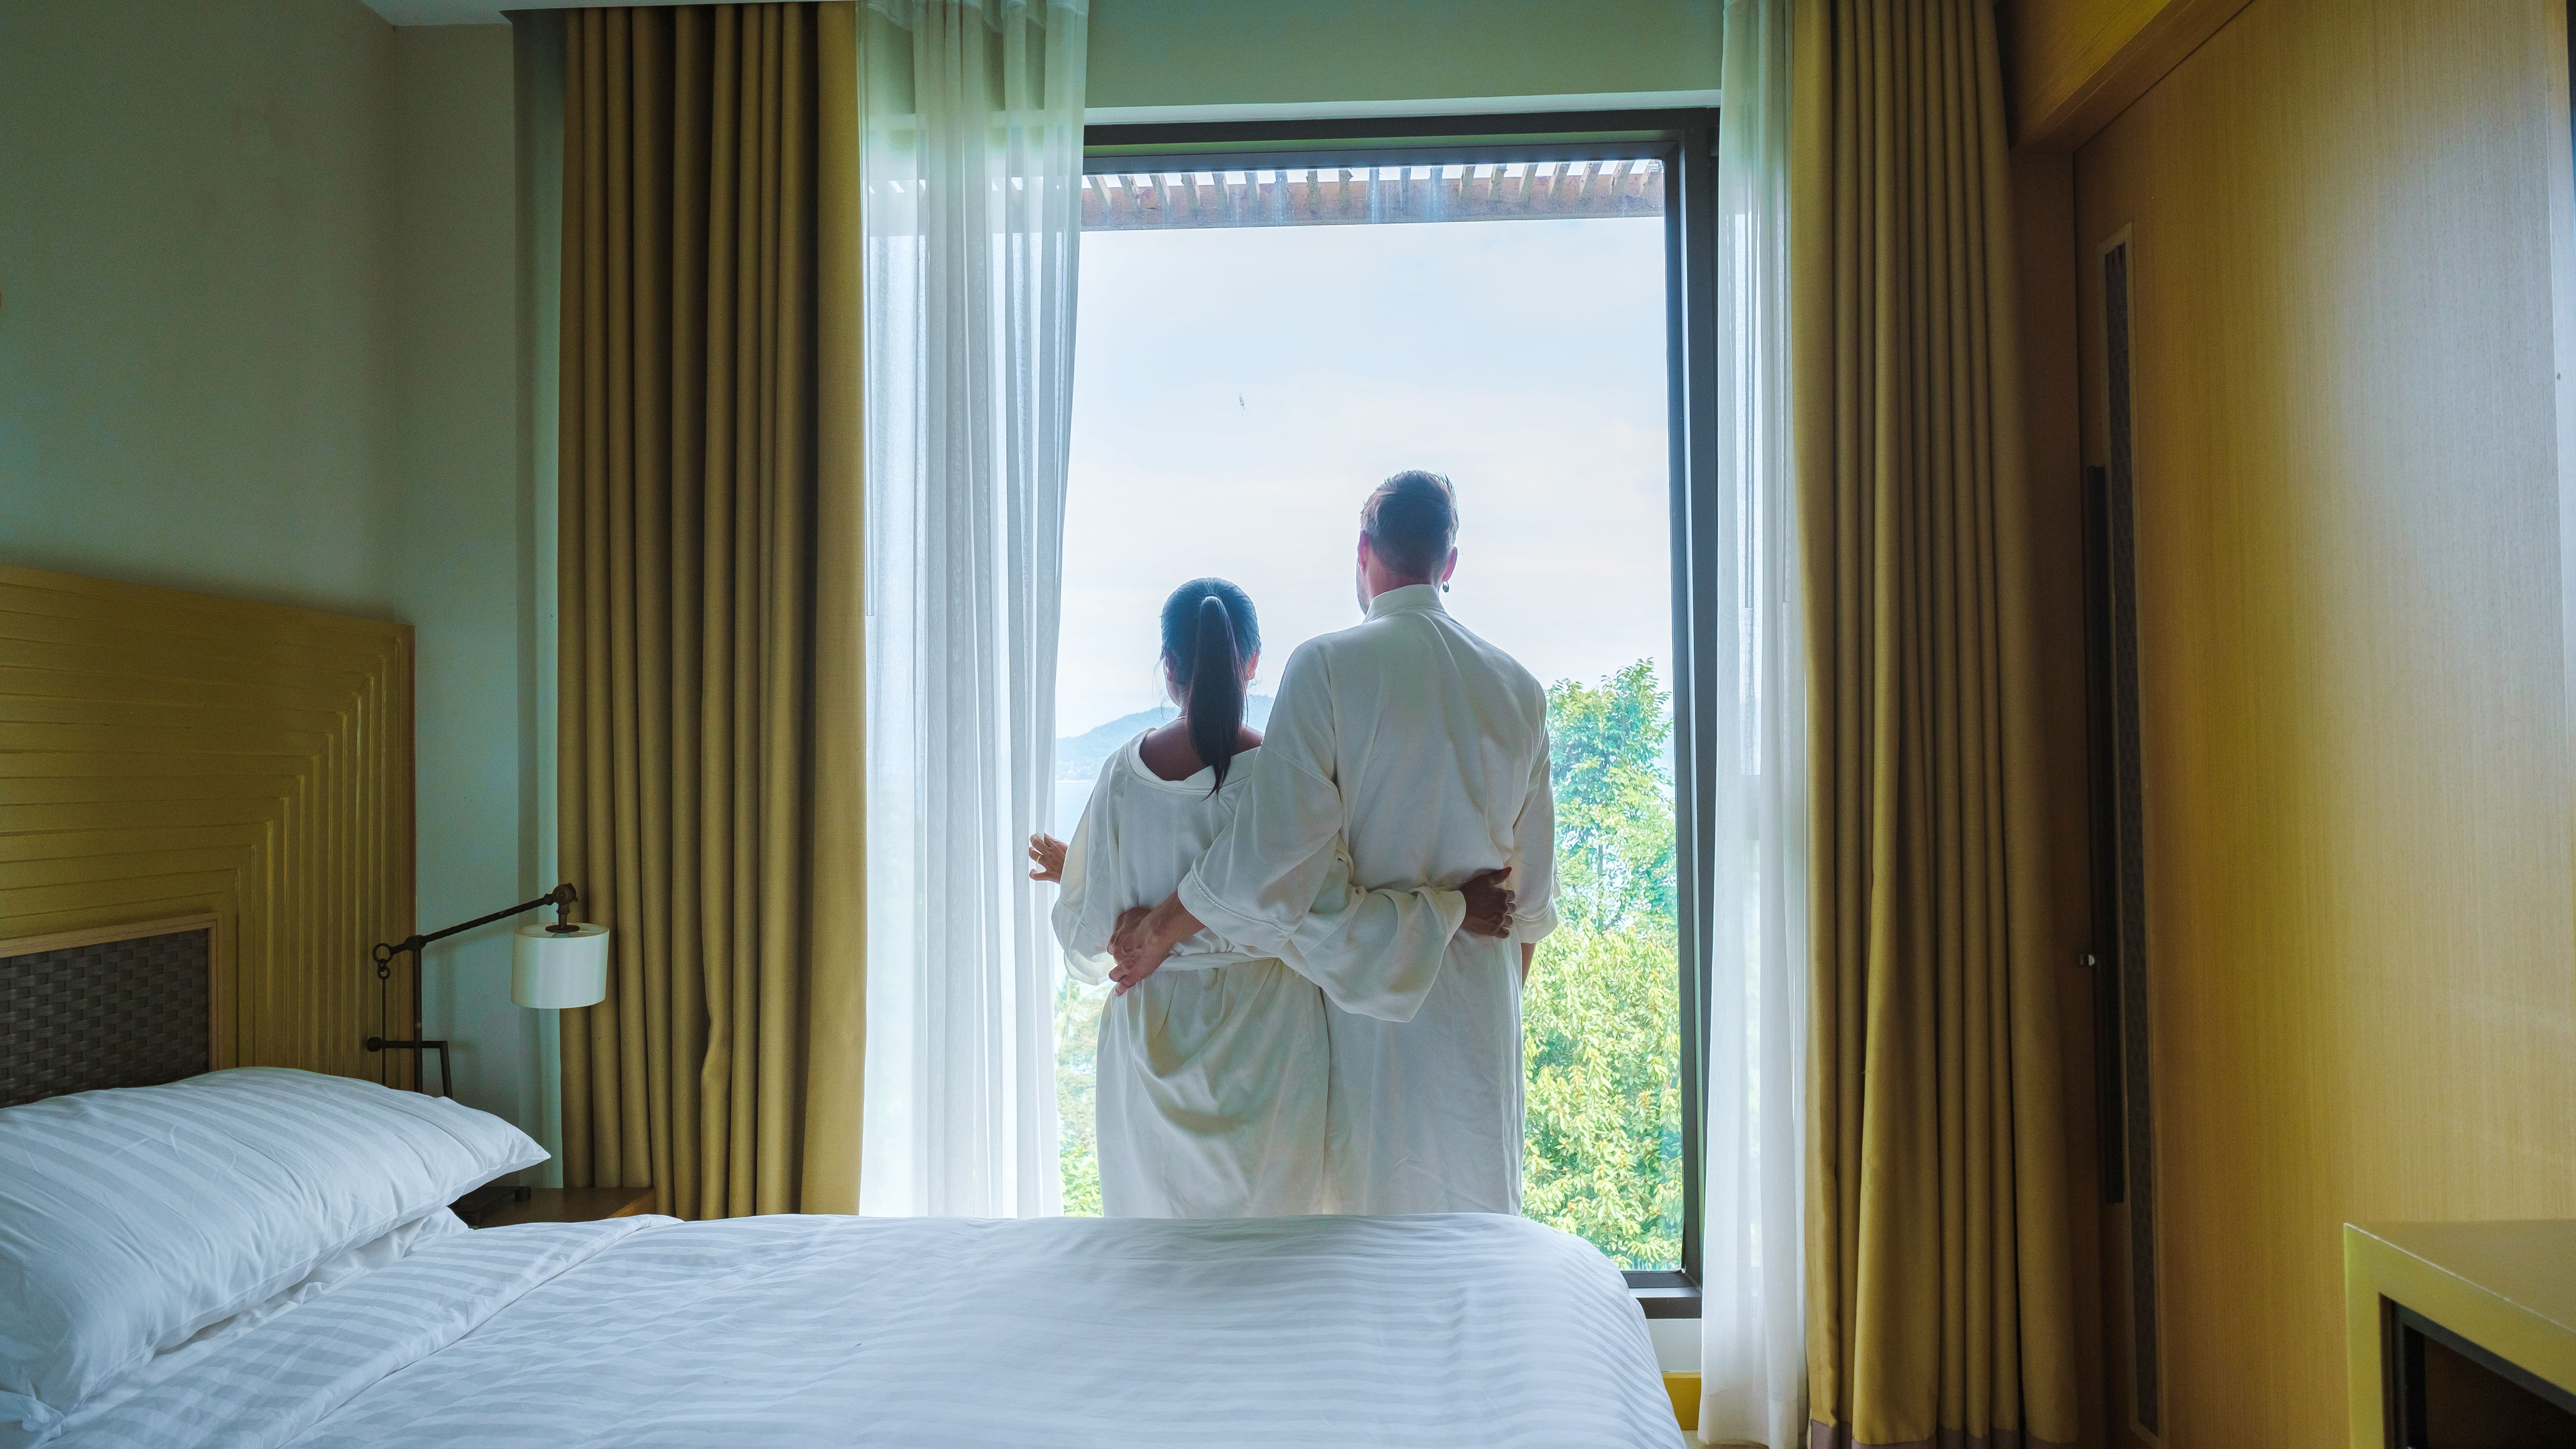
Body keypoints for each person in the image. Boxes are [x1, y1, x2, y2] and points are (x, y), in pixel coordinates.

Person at [1110, 472, 1556, 1216]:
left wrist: (1159, 929)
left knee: (1364, 1247)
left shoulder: (1326, 666)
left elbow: (1268, 862)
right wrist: (1484, 1009)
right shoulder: (1520, 688)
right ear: (1450, 563)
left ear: (1363, 550)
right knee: (1476, 1253)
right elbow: (1528, 906)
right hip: (1481, 1012)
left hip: (1365, 1018)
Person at [1030, 578, 1515, 1218]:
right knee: (1268, 1262)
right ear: (1253, 663)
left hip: (1148, 1043)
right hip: (1266, 1050)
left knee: (1155, 1255)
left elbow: (1093, 937)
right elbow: (1328, 922)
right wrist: (1451, 909)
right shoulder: (1284, 781)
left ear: (1169, 668)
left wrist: (1083, 878)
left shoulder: (1123, 774)